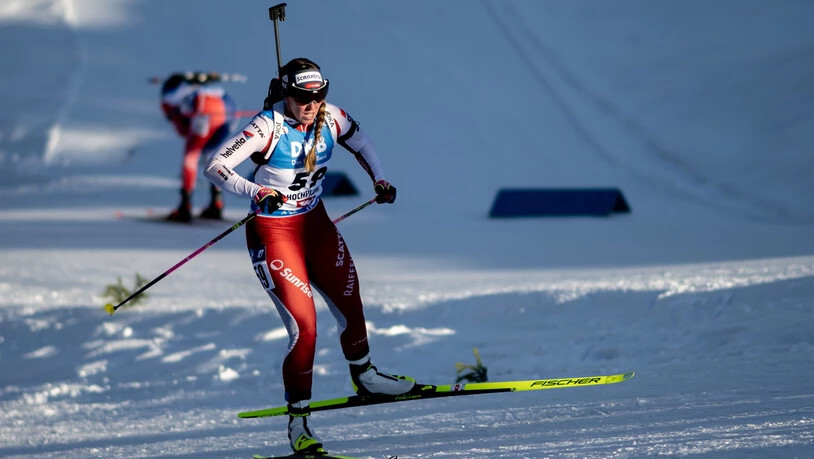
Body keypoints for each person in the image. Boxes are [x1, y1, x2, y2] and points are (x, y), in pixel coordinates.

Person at [204, 58, 417, 455]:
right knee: (306, 329)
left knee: (350, 303)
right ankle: (298, 424)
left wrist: (380, 179)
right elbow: (215, 166)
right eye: (303, 97)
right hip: (275, 232)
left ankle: (366, 376)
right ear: (287, 93)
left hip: (315, 225)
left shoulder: (331, 117)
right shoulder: (266, 126)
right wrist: (254, 191)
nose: (312, 103)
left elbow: (363, 142)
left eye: (319, 96)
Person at [160, 71, 238, 222]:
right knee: (214, 157)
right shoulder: (206, 89)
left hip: (204, 109)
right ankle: (217, 202)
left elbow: (181, 129)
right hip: (227, 113)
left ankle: (185, 206)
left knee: (191, 155)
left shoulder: (170, 96)